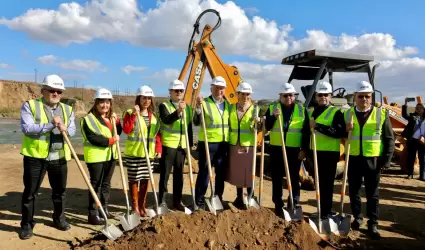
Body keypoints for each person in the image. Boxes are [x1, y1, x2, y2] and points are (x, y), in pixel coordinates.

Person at [19, 74, 76, 240]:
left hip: (59, 157)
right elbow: (27, 128)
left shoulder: (67, 109)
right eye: (52, 90)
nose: (56, 93)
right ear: (43, 90)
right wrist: (51, 125)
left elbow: (72, 131)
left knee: (60, 192)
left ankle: (59, 219)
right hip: (36, 157)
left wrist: (66, 128)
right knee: (30, 192)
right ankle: (27, 224)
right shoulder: (30, 106)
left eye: (59, 91)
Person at [345, 80, 395, 240]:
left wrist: (386, 161)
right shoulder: (347, 114)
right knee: (354, 191)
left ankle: (373, 223)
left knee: (372, 194)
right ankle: (357, 218)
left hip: (372, 160)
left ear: (371, 97)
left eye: (367, 96)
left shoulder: (381, 114)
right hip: (353, 158)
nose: (364, 99)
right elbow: (339, 134)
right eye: (361, 96)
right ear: (355, 97)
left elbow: (389, 139)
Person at [264, 82, 309, 217]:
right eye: (285, 95)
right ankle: (278, 204)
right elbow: (266, 126)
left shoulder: (302, 110)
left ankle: (294, 201)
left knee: (294, 178)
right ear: (280, 96)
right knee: (277, 177)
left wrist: (304, 149)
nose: (289, 97)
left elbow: (306, 132)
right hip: (277, 149)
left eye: (291, 95)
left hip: (294, 150)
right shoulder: (272, 108)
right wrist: (273, 117)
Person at [80, 88, 122, 225]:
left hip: (110, 156)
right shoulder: (88, 119)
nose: (105, 105)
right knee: (95, 185)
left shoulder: (110, 117)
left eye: (107, 102)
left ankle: (104, 209)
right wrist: (111, 141)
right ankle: (93, 214)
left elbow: (118, 132)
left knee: (106, 184)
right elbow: (93, 138)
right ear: (96, 103)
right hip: (96, 157)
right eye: (102, 102)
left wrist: (117, 123)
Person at [305, 81, 347, 219]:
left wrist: (318, 127)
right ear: (316, 96)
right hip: (314, 153)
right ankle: (321, 210)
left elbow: (339, 132)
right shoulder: (312, 111)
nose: (323, 97)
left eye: (326, 95)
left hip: (329, 154)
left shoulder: (336, 112)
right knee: (319, 183)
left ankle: (327, 212)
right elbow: (306, 133)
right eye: (320, 95)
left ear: (330, 96)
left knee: (327, 184)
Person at [122, 85, 162, 217]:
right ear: (139, 98)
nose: (147, 100)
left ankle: (142, 205)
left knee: (145, 179)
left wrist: (158, 148)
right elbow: (126, 130)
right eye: (144, 98)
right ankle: (135, 207)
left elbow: (157, 135)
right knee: (134, 179)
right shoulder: (129, 112)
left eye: (149, 98)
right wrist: (134, 114)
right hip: (134, 153)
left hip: (148, 154)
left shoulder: (153, 117)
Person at [193, 76, 230, 209]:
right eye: (217, 88)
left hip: (223, 144)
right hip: (208, 144)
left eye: (221, 88)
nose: (219, 90)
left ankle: (218, 198)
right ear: (212, 88)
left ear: (225, 89)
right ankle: (199, 201)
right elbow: (196, 122)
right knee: (204, 173)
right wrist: (198, 108)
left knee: (220, 174)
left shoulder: (228, 105)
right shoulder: (205, 103)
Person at [158, 79, 194, 211]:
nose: (179, 93)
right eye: (176, 90)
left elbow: (189, 127)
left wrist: (189, 145)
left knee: (179, 175)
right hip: (168, 145)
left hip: (181, 146)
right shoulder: (164, 106)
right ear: (170, 92)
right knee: (165, 175)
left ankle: (177, 201)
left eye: (181, 90)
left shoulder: (188, 108)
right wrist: (178, 111)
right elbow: (166, 120)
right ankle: (162, 201)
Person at [226, 82, 260, 209]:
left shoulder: (254, 109)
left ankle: (251, 196)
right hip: (234, 144)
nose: (245, 96)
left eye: (247, 94)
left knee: (249, 171)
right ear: (237, 94)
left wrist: (259, 122)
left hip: (248, 145)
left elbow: (260, 128)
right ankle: (239, 197)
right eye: (242, 94)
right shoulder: (231, 108)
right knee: (238, 172)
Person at [401, 100, 425, 180]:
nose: (419, 109)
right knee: (411, 157)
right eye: (417, 107)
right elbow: (404, 115)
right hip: (412, 140)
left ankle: (422, 175)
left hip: (422, 142)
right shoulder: (412, 117)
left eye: (421, 107)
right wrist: (405, 105)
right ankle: (410, 174)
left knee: (423, 158)